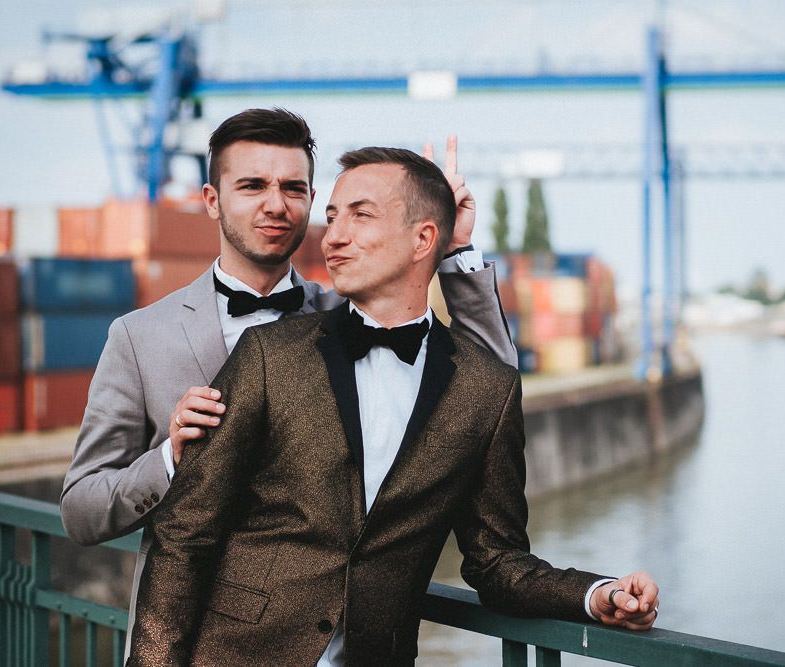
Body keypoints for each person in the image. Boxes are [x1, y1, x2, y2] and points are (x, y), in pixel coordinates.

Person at [127, 147, 659, 666]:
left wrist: (598, 594)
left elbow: (498, 562)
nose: (333, 236)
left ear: (424, 238)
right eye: (331, 216)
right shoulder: (269, 354)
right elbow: (184, 533)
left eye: (361, 215)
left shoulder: (485, 390)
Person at [60, 108, 516, 645]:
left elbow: (482, 390)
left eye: (294, 188)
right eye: (253, 186)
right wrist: (170, 460)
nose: (276, 205)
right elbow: (81, 510)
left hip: (332, 641)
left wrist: (453, 249)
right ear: (212, 200)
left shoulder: (347, 316)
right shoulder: (140, 337)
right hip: (179, 640)